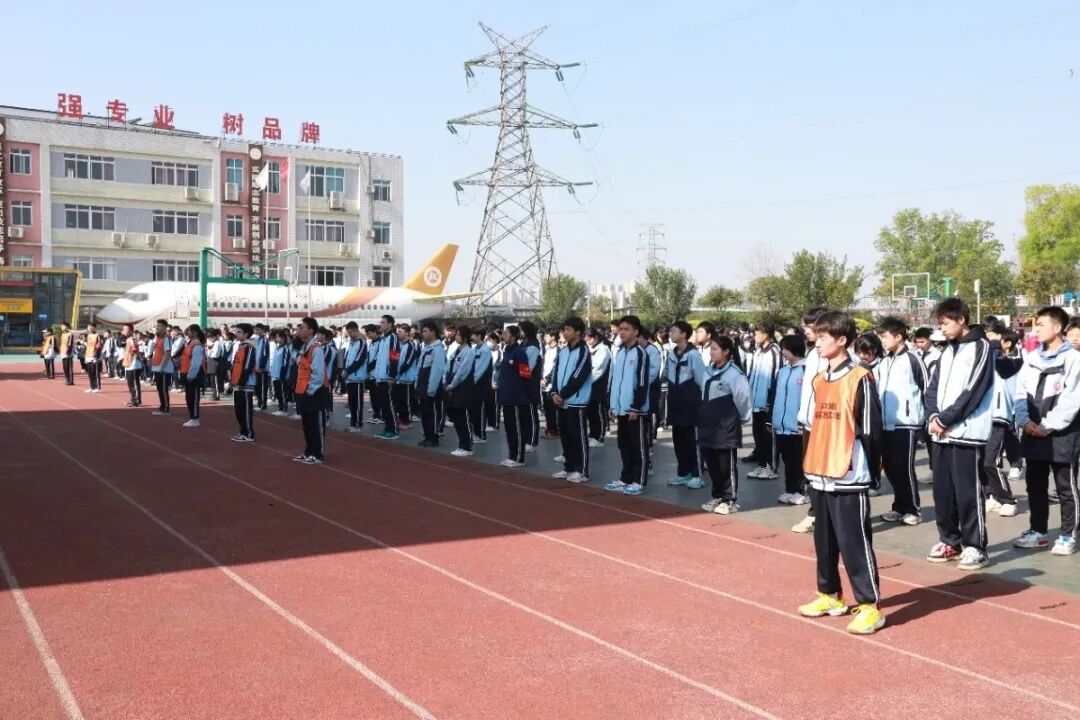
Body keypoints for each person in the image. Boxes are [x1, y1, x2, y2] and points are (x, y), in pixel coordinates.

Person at [797, 310, 885, 635]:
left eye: (822, 337)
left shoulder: (861, 377)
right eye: (816, 337)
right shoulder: (820, 379)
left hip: (848, 472)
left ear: (842, 340)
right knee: (824, 541)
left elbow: (872, 430)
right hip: (820, 471)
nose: (817, 343)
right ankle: (829, 594)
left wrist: (871, 471)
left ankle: (870, 606)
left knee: (854, 542)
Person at [925, 297, 995, 570]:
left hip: (967, 433)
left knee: (968, 493)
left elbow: (974, 391)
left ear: (961, 319)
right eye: (940, 324)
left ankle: (975, 546)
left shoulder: (981, 348)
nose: (942, 329)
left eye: (945, 323)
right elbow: (932, 388)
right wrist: (933, 416)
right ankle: (949, 541)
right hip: (940, 433)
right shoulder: (946, 351)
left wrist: (946, 418)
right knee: (943, 493)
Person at [1013, 306, 1080, 556]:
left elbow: (1072, 399)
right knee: (1035, 485)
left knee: (1065, 487)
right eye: (1036, 325)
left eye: (1041, 324)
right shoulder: (1032, 358)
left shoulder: (1073, 359)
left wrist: (1047, 425)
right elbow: (1020, 392)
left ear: (1058, 327)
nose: (1036, 329)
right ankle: (1038, 531)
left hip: (1063, 434)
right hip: (1033, 432)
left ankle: (1069, 534)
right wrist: (1024, 420)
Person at [873, 317, 927, 526]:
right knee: (891, 468)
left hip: (907, 424)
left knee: (904, 468)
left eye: (885, 336)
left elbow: (927, 388)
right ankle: (899, 507)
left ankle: (913, 509)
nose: (882, 341)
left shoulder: (913, 359)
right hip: (886, 423)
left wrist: (928, 419)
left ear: (898, 336)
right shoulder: (884, 362)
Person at [698, 336, 752, 514]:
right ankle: (717, 496)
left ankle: (729, 499)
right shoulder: (707, 371)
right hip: (707, 423)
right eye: (711, 349)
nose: (711, 352)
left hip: (725, 425)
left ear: (726, 351)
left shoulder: (734, 374)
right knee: (711, 462)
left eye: (715, 349)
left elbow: (743, 398)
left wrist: (740, 418)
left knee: (725, 464)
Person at [605, 315, 651, 496]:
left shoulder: (640, 353)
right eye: (621, 329)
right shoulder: (620, 352)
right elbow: (615, 380)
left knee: (638, 446)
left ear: (636, 332)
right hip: (620, 408)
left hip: (634, 410)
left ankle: (638, 480)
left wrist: (636, 407)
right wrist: (612, 405)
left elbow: (642, 382)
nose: (622, 332)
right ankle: (625, 478)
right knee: (623, 445)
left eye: (626, 329)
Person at [551, 317, 593, 482]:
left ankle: (581, 470)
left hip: (576, 401)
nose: (565, 332)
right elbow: (556, 374)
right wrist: (554, 392)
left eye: (569, 329)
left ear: (578, 332)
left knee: (578, 437)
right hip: (561, 401)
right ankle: (568, 467)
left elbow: (578, 376)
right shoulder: (562, 351)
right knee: (566, 437)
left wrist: (563, 394)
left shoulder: (583, 351)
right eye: (564, 329)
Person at [666, 320, 706, 489]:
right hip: (675, 404)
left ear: (684, 334)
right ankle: (683, 473)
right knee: (679, 441)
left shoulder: (693, 355)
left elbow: (702, 380)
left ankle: (697, 474)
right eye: (671, 331)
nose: (671, 334)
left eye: (674, 331)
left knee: (692, 441)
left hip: (691, 406)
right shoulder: (671, 354)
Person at [770, 335, 808, 505]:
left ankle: (802, 491)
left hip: (797, 426)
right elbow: (775, 396)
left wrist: (803, 422)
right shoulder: (782, 371)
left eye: (785, 348)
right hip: (781, 425)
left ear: (794, 349)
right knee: (787, 460)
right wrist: (772, 419)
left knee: (798, 460)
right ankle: (790, 490)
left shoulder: (806, 371)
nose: (783, 352)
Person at [745, 323, 781, 479]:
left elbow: (775, 376)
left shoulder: (774, 351)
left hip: (766, 402)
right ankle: (761, 465)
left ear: (766, 335)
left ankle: (771, 467)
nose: (755, 336)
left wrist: (770, 401)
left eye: (757, 333)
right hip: (756, 401)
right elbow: (752, 373)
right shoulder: (758, 351)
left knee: (768, 436)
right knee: (758, 435)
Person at [495, 325, 534, 468]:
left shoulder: (519, 353)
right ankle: (512, 455)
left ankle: (518, 457)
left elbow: (526, 374)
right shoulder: (507, 352)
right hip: (506, 397)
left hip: (517, 398)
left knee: (517, 428)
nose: (503, 336)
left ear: (513, 336)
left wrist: (521, 392)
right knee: (509, 428)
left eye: (506, 333)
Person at [293, 317, 330, 464]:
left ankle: (318, 454)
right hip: (303, 391)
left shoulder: (317, 349)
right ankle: (309, 451)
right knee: (307, 425)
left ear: (311, 330)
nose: (299, 330)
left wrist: (310, 390)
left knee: (316, 424)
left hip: (315, 392)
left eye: (302, 327)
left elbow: (318, 374)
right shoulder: (304, 347)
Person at [445, 326, 477, 456]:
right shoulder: (457, 350)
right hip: (453, 386)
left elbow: (462, 372)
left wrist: (451, 385)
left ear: (465, 337)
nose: (456, 336)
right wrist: (446, 382)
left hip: (463, 387)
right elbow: (448, 366)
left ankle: (467, 446)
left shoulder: (469, 352)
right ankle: (462, 444)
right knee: (456, 417)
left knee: (463, 417)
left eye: (458, 334)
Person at [417, 320, 447, 447]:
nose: (423, 334)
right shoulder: (426, 348)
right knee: (424, 412)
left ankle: (433, 437)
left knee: (432, 412)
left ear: (433, 332)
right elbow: (420, 367)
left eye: (425, 331)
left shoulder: (438, 349)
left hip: (431, 387)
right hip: (422, 385)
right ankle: (427, 435)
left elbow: (437, 370)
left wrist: (431, 388)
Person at [371, 314, 401, 440]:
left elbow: (394, 357)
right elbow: (379, 359)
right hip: (379, 377)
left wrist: (391, 376)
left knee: (389, 404)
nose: (381, 324)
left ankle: (394, 430)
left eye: (383, 322)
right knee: (383, 404)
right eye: (381, 322)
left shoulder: (393, 338)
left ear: (390, 324)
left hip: (387, 377)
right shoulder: (383, 339)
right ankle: (387, 428)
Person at [229, 323, 258, 442]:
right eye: (236, 331)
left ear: (246, 334)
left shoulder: (249, 347)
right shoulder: (240, 346)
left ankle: (248, 433)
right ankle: (242, 431)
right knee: (238, 409)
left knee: (245, 409)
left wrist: (241, 381)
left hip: (246, 383)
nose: (236, 334)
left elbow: (247, 366)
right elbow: (236, 365)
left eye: (239, 332)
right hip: (238, 382)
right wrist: (232, 381)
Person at [342, 321, 370, 433]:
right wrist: (344, 370)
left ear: (355, 330)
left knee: (357, 403)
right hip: (350, 378)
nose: (349, 335)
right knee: (352, 403)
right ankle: (353, 424)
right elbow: (347, 358)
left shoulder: (362, 343)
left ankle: (358, 424)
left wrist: (347, 371)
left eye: (350, 332)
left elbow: (359, 360)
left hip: (357, 377)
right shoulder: (352, 343)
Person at [585, 329, 611, 447]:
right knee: (591, 411)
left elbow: (598, 369)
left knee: (598, 411)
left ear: (596, 337)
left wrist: (586, 380)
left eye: (590, 338)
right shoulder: (589, 349)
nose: (588, 341)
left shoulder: (603, 349)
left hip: (599, 384)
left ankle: (599, 437)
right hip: (588, 384)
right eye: (587, 339)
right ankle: (593, 434)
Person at [178, 325, 206, 428]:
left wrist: (191, 375)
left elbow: (196, 362)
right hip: (187, 373)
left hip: (193, 375)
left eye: (189, 331)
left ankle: (195, 418)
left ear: (195, 332)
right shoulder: (189, 343)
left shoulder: (196, 345)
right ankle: (192, 417)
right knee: (189, 397)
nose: (187, 332)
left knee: (193, 397)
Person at [470, 330, 495, 443]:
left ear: (479, 335)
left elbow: (480, 368)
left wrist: (472, 380)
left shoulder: (486, 351)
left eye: (473, 334)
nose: (471, 337)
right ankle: (475, 433)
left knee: (480, 410)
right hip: (474, 386)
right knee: (474, 410)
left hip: (482, 385)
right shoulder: (474, 349)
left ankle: (481, 435)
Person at [148, 319, 174, 416]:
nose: (157, 328)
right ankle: (162, 406)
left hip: (164, 368)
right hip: (157, 366)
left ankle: (166, 408)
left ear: (164, 327)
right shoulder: (157, 338)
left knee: (163, 389)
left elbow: (167, 353)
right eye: (157, 326)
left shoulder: (166, 338)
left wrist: (162, 367)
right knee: (159, 388)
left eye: (159, 326)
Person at [120, 323, 144, 407]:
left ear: (131, 331)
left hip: (133, 363)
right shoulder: (126, 339)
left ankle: (137, 400)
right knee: (130, 383)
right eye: (123, 329)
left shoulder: (132, 339)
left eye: (126, 329)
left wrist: (133, 356)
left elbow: (135, 350)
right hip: (127, 363)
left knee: (134, 382)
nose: (124, 331)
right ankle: (133, 398)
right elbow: (121, 345)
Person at [82, 323, 103, 393]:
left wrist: (96, 356)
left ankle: (97, 387)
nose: (89, 328)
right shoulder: (88, 335)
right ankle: (92, 387)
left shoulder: (97, 335)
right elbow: (88, 345)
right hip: (88, 355)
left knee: (95, 373)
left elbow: (99, 346)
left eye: (91, 327)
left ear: (94, 328)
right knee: (90, 373)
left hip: (94, 357)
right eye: (88, 327)